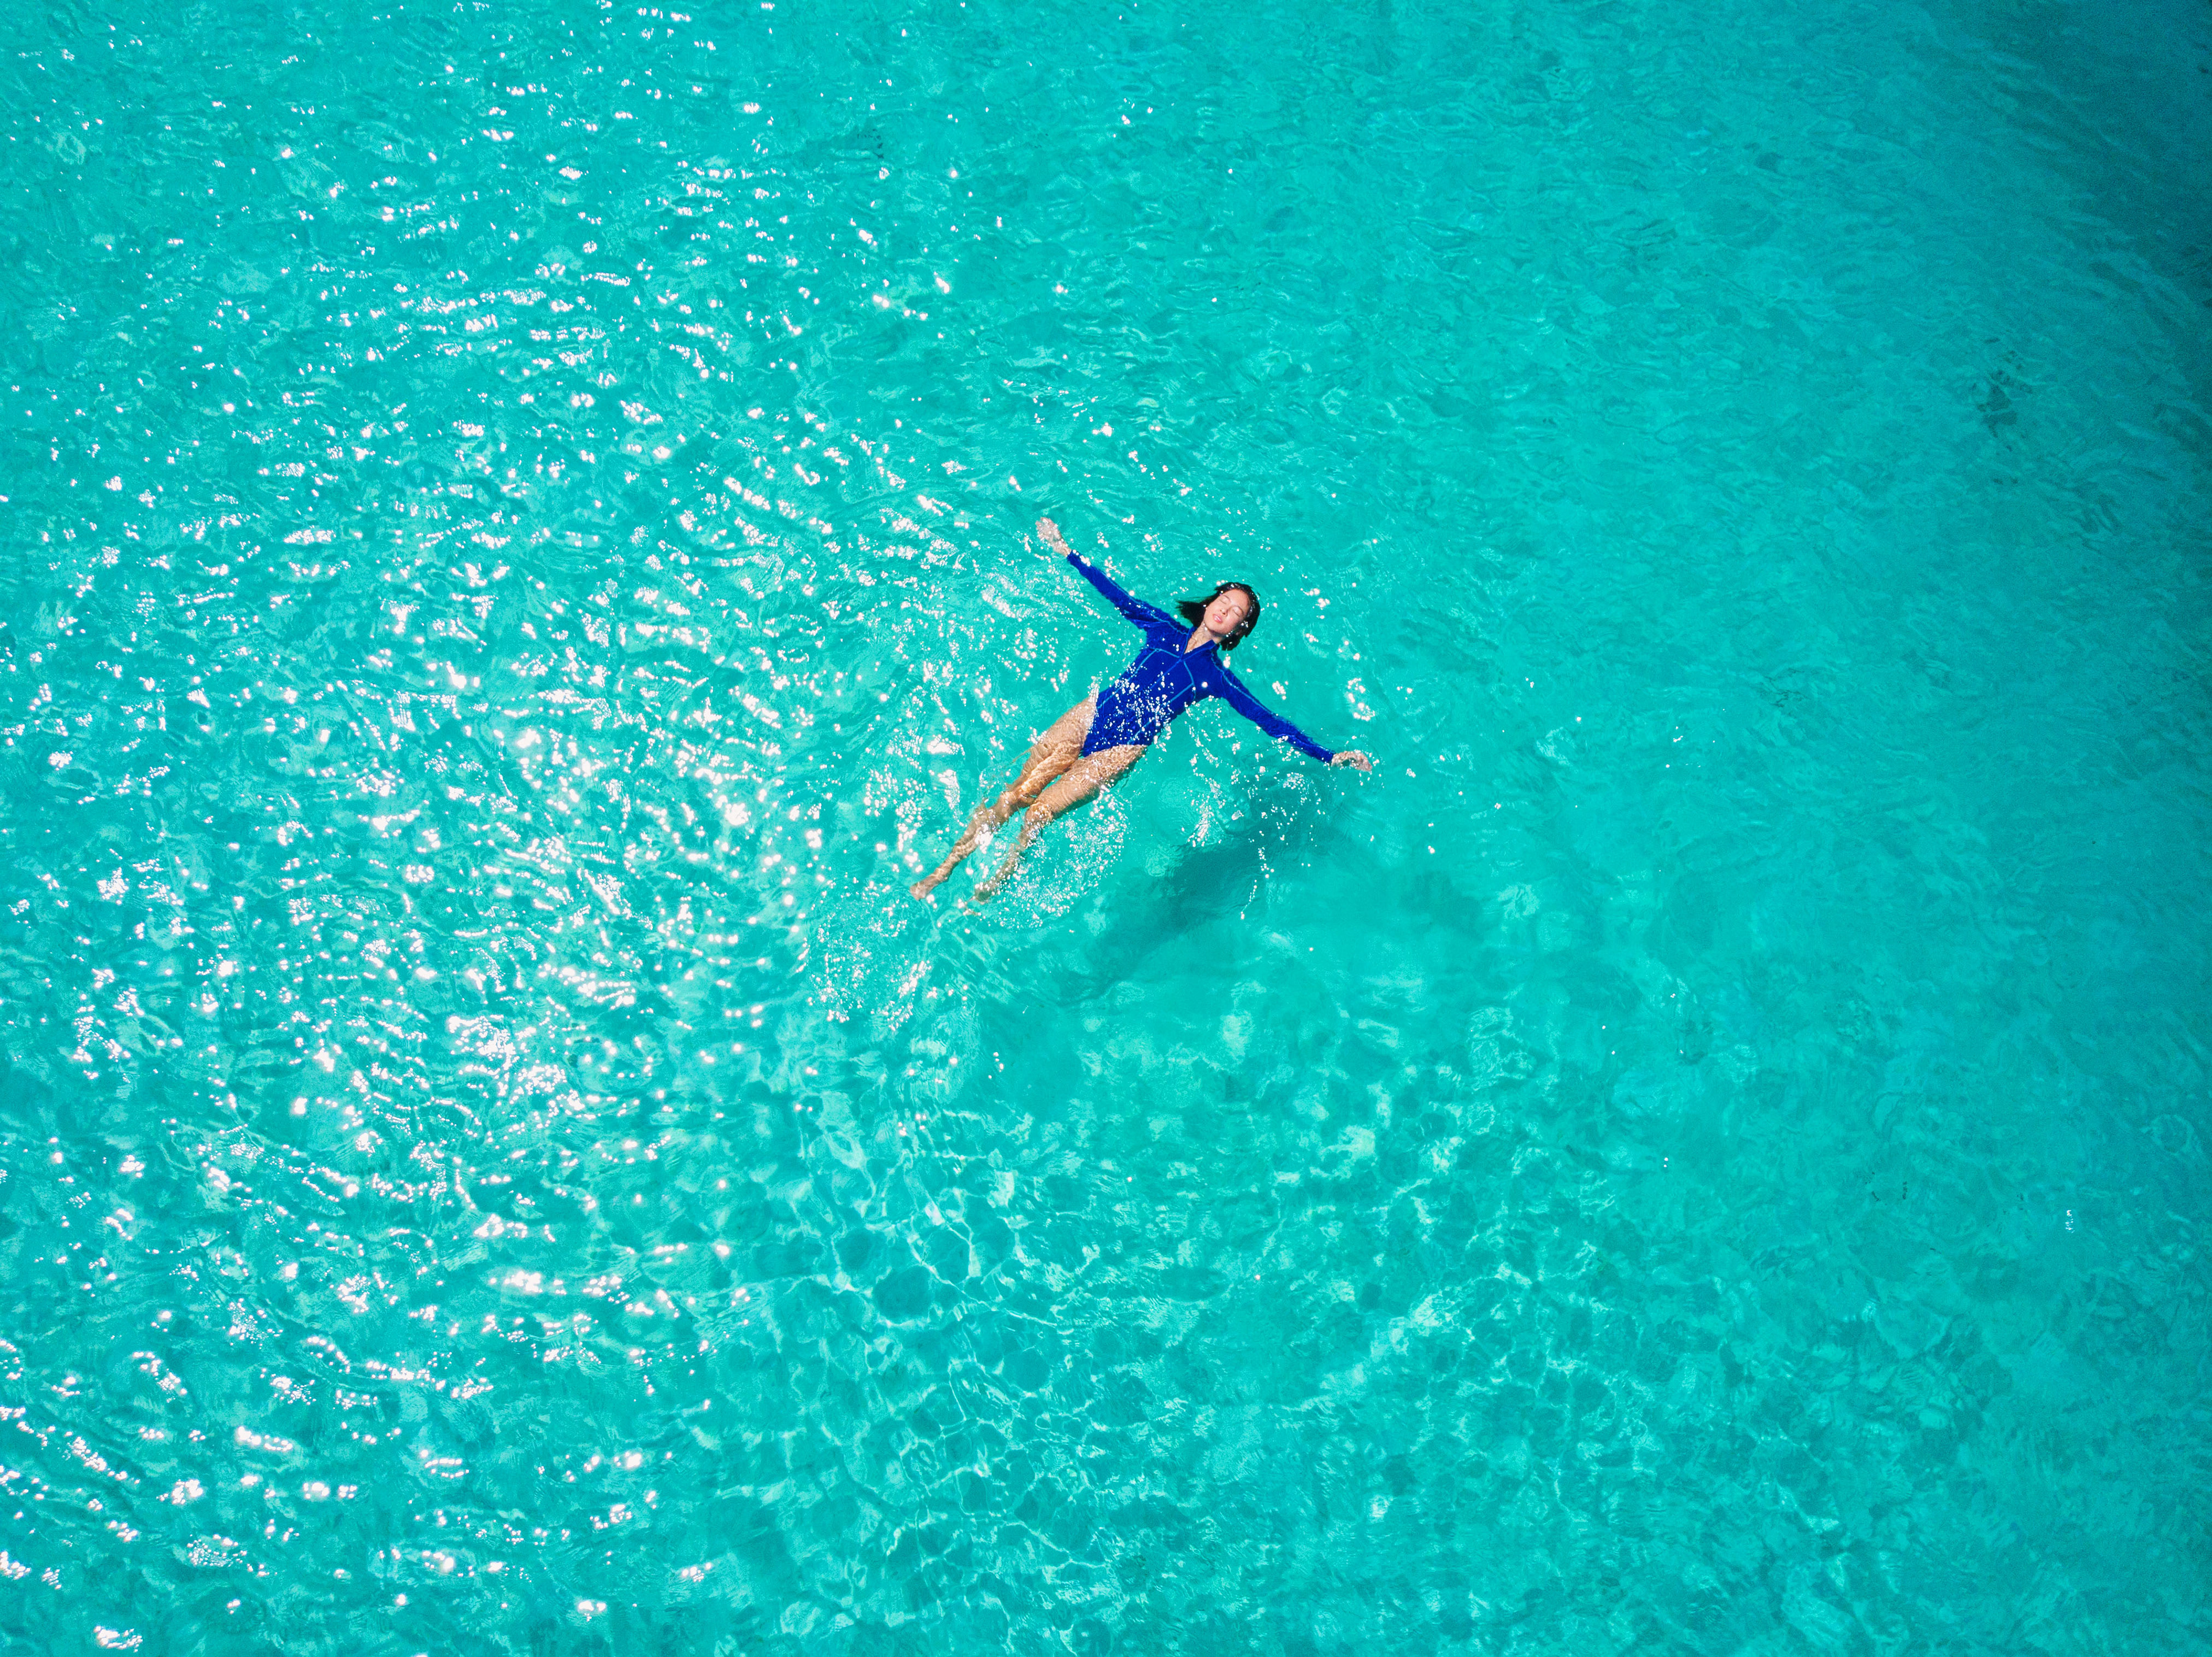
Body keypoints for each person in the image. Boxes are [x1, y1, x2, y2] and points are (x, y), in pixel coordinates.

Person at [913, 516, 1374, 902]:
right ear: (1210, 601)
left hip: (1119, 750)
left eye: (1236, 612)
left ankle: (995, 882)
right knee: (1016, 794)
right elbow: (1116, 594)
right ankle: (945, 868)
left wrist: (1329, 756)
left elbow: (1269, 720)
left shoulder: (1217, 678)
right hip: (1089, 717)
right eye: (1224, 600)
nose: (1225, 610)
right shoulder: (1161, 627)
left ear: (1237, 630)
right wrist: (1065, 550)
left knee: (1038, 815)